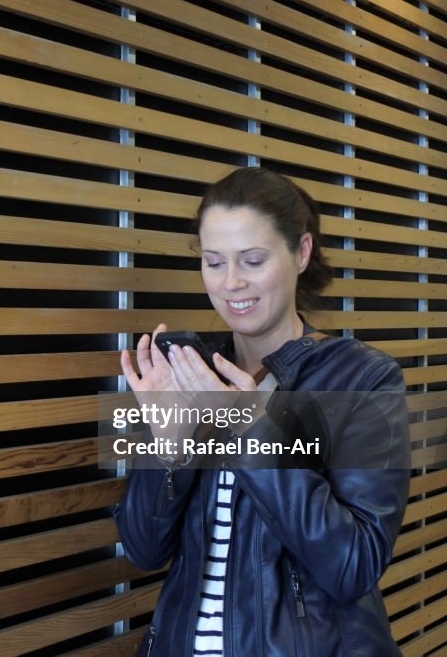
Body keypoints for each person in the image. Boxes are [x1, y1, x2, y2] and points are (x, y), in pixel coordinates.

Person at [115, 167, 410, 656]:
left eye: (252, 260)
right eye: (213, 262)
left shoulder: (362, 378)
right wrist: (168, 445)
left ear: (301, 252)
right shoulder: (191, 375)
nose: (231, 284)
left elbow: (353, 565)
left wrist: (250, 430)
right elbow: (144, 551)